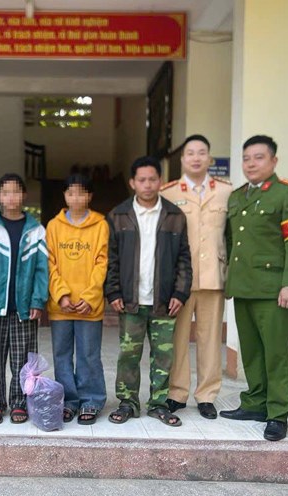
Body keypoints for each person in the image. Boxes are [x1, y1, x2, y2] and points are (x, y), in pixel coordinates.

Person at [220, 135, 288, 442]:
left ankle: (277, 414)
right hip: (243, 287)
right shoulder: (237, 196)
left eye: (259, 157)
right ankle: (256, 403)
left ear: (274, 161)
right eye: (246, 158)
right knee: (252, 352)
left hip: (274, 290)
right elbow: (232, 241)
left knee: (276, 353)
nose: (251, 164)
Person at [105, 156, 192, 427]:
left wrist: (180, 294)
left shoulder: (174, 216)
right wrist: (113, 292)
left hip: (164, 301)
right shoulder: (118, 215)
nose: (147, 184)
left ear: (160, 181)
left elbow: (184, 259)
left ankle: (159, 404)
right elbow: (111, 258)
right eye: (141, 180)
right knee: (128, 355)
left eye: (152, 179)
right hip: (130, 301)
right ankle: (127, 403)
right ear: (133, 182)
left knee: (163, 356)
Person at [159, 135, 232, 420]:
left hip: (213, 276)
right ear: (182, 159)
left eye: (202, 152)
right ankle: (177, 393)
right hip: (180, 280)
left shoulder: (226, 191)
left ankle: (206, 395)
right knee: (177, 338)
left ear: (209, 158)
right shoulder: (168, 193)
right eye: (190, 153)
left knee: (210, 339)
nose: (196, 158)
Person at [0, 174, 48, 424]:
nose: (11, 197)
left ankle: (20, 403)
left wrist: (38, 300)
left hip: (24, 307)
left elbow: (42, 270)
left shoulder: (36, 230)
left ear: (24, 195)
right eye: (5, 192)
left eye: (16, 191)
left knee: (23, 361)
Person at [45, 174, 108, 425]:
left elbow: (102, 263)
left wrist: (90, 297)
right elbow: (49, 263)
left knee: (89, 355)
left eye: (81, 193)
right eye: (70, 193)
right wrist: (61, 294)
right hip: (61, 305)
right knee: (61, 356)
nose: (76, 198)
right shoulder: (53, 226)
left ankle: (91, 400)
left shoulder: (100, 225)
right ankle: (68, 401)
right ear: (64, 196)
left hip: (89, 306)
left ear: (89, 196)